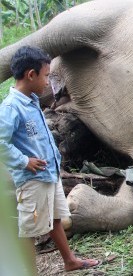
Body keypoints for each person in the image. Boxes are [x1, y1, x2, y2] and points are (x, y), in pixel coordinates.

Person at [0, 46, 99, 272]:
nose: (47, 82)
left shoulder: (32, 100)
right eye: (46, 76)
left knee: (55, 218)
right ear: (31, 75)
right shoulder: (10, 107)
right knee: (29, 230)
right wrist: (24, 161)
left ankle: (69, 260)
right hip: (32, 179)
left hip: (48, 174)